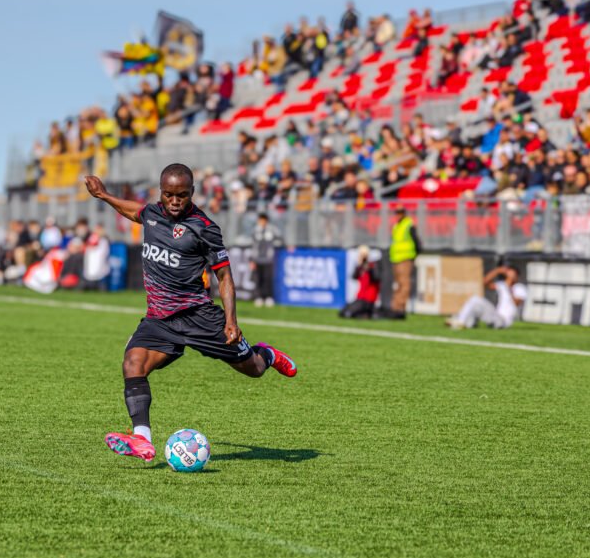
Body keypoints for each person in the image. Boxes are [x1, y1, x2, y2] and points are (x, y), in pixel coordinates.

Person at [85, 164, 298, 463]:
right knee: (133, 363)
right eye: (169, 195)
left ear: (192, 193)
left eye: (182, 195)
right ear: (161, 193)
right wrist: (105, 196)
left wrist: (231, 321)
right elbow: (134, 211)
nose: (175, 201)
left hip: (199, 316)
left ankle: (268, 355)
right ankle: (142, 438)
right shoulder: (153, 214)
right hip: (160, 319)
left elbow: (224, 278)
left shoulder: (204, 227)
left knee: (252, 369)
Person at [446, 266, 527, 330]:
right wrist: (497, 271)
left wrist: (509, 288)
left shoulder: (519, 288)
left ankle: (461, 321)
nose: (511, 276)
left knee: (475, 299)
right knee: (476, 304)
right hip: (496, 315)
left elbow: (517, 303)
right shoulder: (502, 285)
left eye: (513, 274)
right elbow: (485, 282)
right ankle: (466, 322)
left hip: (504, 321)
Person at [385, 205, 419, 319]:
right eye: (397, 212)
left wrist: (416, 254)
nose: (398, 215)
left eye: (400, 212)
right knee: (399, 284)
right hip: (396, 258)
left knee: (404, 284)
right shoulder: (396, 226)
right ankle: (394, 307)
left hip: (405, 258)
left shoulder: (408, 224)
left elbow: (415, 240)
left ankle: (400, 308)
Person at [339, 246, 380, 319]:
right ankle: (365, 314)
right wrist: (360, 265)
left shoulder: (373, 267)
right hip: (360, 298)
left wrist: (369, 268)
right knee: (343, 311)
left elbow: (376, 278)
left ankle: (367, 313)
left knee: (348, 313)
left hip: (367, 299)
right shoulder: (361, 268)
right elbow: (353, 276)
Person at [250, 212, 281, 307]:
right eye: (260, 220)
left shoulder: (272, 230)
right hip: (257, 258)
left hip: (268, 259)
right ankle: (258, 297)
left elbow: (280, 238)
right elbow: (252, 246)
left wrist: (274, 247)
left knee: (268, 278)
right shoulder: (255, 230)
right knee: (258, 278)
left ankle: (268, 297)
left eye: (264, 220)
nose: (262, 222)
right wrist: (252, 259)